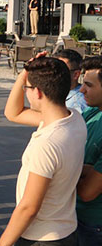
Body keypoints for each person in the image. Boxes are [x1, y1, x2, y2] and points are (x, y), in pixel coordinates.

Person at [0, 55, 86, 246]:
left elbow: (29, 208)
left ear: (37, 92)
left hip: (41, 238)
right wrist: (26, 75)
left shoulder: (47, 143)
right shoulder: (75, 119)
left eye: (26, 89)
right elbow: (14, 113)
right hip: (66, 230)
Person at [75, 57, 102, 245]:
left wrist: (64, 171)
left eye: (88, 85)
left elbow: (87, 192)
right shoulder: (92, 113)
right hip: (78, 217)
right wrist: (85, 170)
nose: (82, 90)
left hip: (94, 224)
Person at [54, 49, 87, 114]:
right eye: (54, 68)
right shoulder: (60, 93)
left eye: (61, 70)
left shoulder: (76, 105)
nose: (54, 73)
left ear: (76, 74)